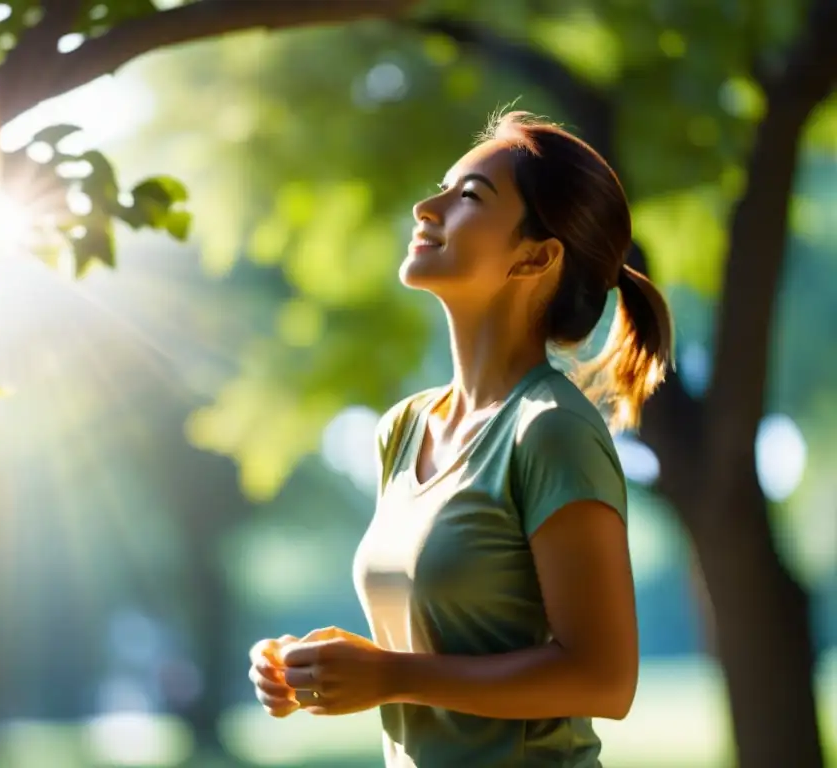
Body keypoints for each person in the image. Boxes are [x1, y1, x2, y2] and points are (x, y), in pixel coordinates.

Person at [247, 110, 673, 767]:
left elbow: (603, 679)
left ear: (535, 255)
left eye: (468, 196)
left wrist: (391, 676)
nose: (427, 205)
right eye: (444, 187)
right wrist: (324, 669)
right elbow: (447, 644)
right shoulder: (405, 428)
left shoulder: (550, 430)